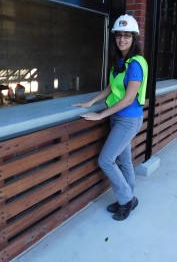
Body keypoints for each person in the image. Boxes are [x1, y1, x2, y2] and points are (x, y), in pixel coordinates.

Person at [72, 14, 148, 221]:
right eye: (118, 35)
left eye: (126, 35)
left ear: (134, 37)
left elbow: (129, 98)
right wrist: (90, 102)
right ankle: (128, 197)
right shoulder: (121, 62)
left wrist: (100, 114)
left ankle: (126, 200)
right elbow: (111, 88)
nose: (122, 39)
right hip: (117, 118)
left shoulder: (136, 64)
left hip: (128, 119)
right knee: (124, 161)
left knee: (105, 160)